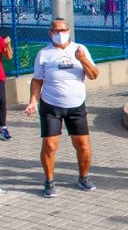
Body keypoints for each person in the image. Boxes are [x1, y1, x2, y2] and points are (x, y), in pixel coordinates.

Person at [24, 18, 100, 198]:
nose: (61, 34)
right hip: (51, 105)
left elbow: (94, 75)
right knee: (50, 145)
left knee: (82, 145)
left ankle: (84, 177)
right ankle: (49, 180)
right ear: (50, 33)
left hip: (76, 106)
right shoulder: (44, 54)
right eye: (57, 31)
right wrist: (33, 100)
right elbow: (37, 80)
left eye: (64, 30)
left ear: (69, 31)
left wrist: (83, 59)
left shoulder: (80, 49)